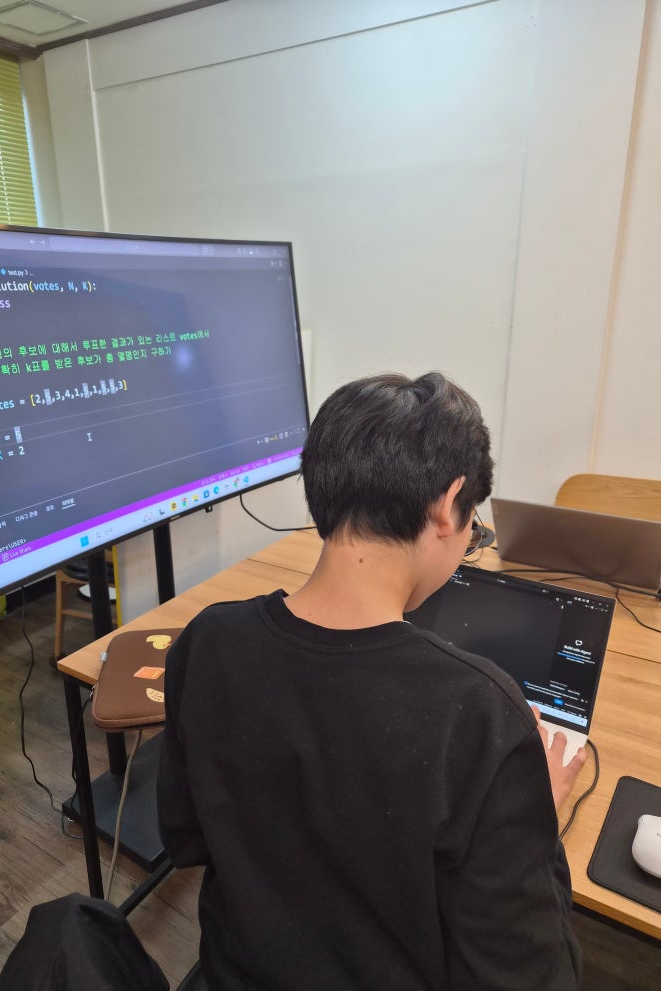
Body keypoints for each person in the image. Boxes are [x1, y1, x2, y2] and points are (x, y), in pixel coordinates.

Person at [157, 371, 586, 990]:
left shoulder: (207, 640)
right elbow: (532, 977)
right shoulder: (482, 717)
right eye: (474, 527)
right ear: (447, 505)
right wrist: (533, 816)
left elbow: (186, 838)